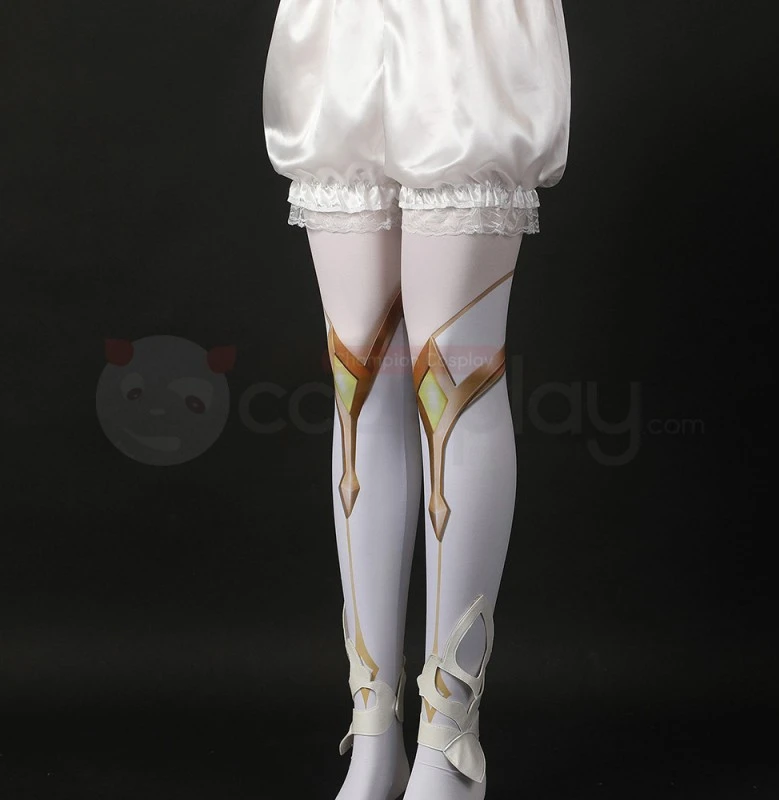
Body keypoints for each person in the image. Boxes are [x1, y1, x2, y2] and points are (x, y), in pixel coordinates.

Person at [262, 2, 571, 798]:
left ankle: (447, 748)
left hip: (464, 26)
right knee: (358, 383)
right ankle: (374, 739)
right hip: (343, 24)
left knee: (454, 379)